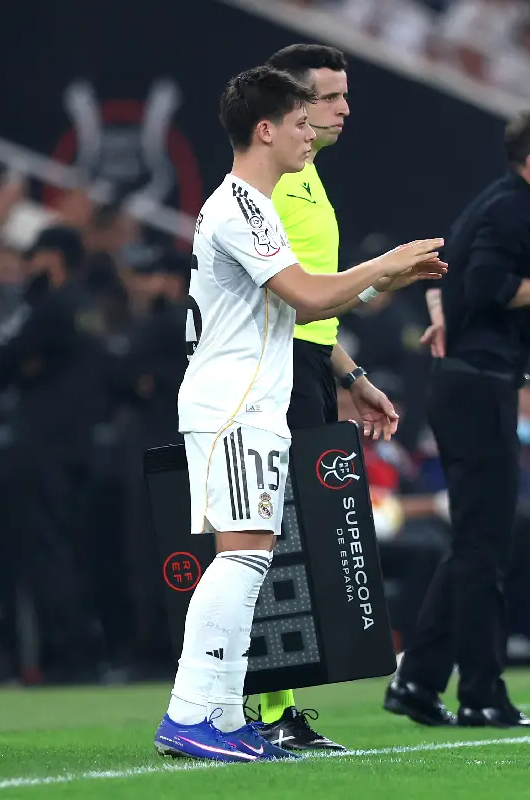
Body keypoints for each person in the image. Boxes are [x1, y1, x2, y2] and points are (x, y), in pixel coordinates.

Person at [153, 65, 445, 762]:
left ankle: (221, 717)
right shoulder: (242, 207)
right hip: (234, 400)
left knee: (248, 554)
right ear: (266, 129)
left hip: (240, 395)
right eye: (299, 122)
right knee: (244, 553)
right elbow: (309, 296)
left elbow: (298, 306)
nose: (310, 133)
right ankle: (191, 711)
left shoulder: (249, 205)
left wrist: (384, 283)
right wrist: (386, 262)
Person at [384, 109, 530, 729]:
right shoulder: (513, 208)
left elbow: (444, 265)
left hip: (473, 386)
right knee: (485, 546)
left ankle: (421, 681)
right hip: (477, 389)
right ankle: (480, 693)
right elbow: (485, 284)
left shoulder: (502, 203)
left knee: (479, 544)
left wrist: (438, 307)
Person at [237, 42, 401, 754]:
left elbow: (310, 306)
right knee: (269, 539)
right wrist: (380, 275)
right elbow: (283, 300)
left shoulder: (307, 178)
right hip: (265, 369)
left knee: (289, 542)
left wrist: (350, 376)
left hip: (302, 365)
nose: (343, 109)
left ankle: (274, 707)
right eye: (329, 97)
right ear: (291, 106)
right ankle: (262, 711)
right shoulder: (267, 184)